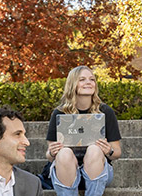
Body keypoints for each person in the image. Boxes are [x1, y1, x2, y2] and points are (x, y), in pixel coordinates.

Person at [45, 66, 122, 196]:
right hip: (66, 171)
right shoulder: (60, 113)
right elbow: (49, 155)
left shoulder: (105, 112)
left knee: (94, 150)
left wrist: (108, 150)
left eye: (92, 79)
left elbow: (117, 152)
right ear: (72, 84)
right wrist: (52, 152)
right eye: (82, 79)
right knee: (63, 153)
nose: (88, 82)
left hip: (97, 171)